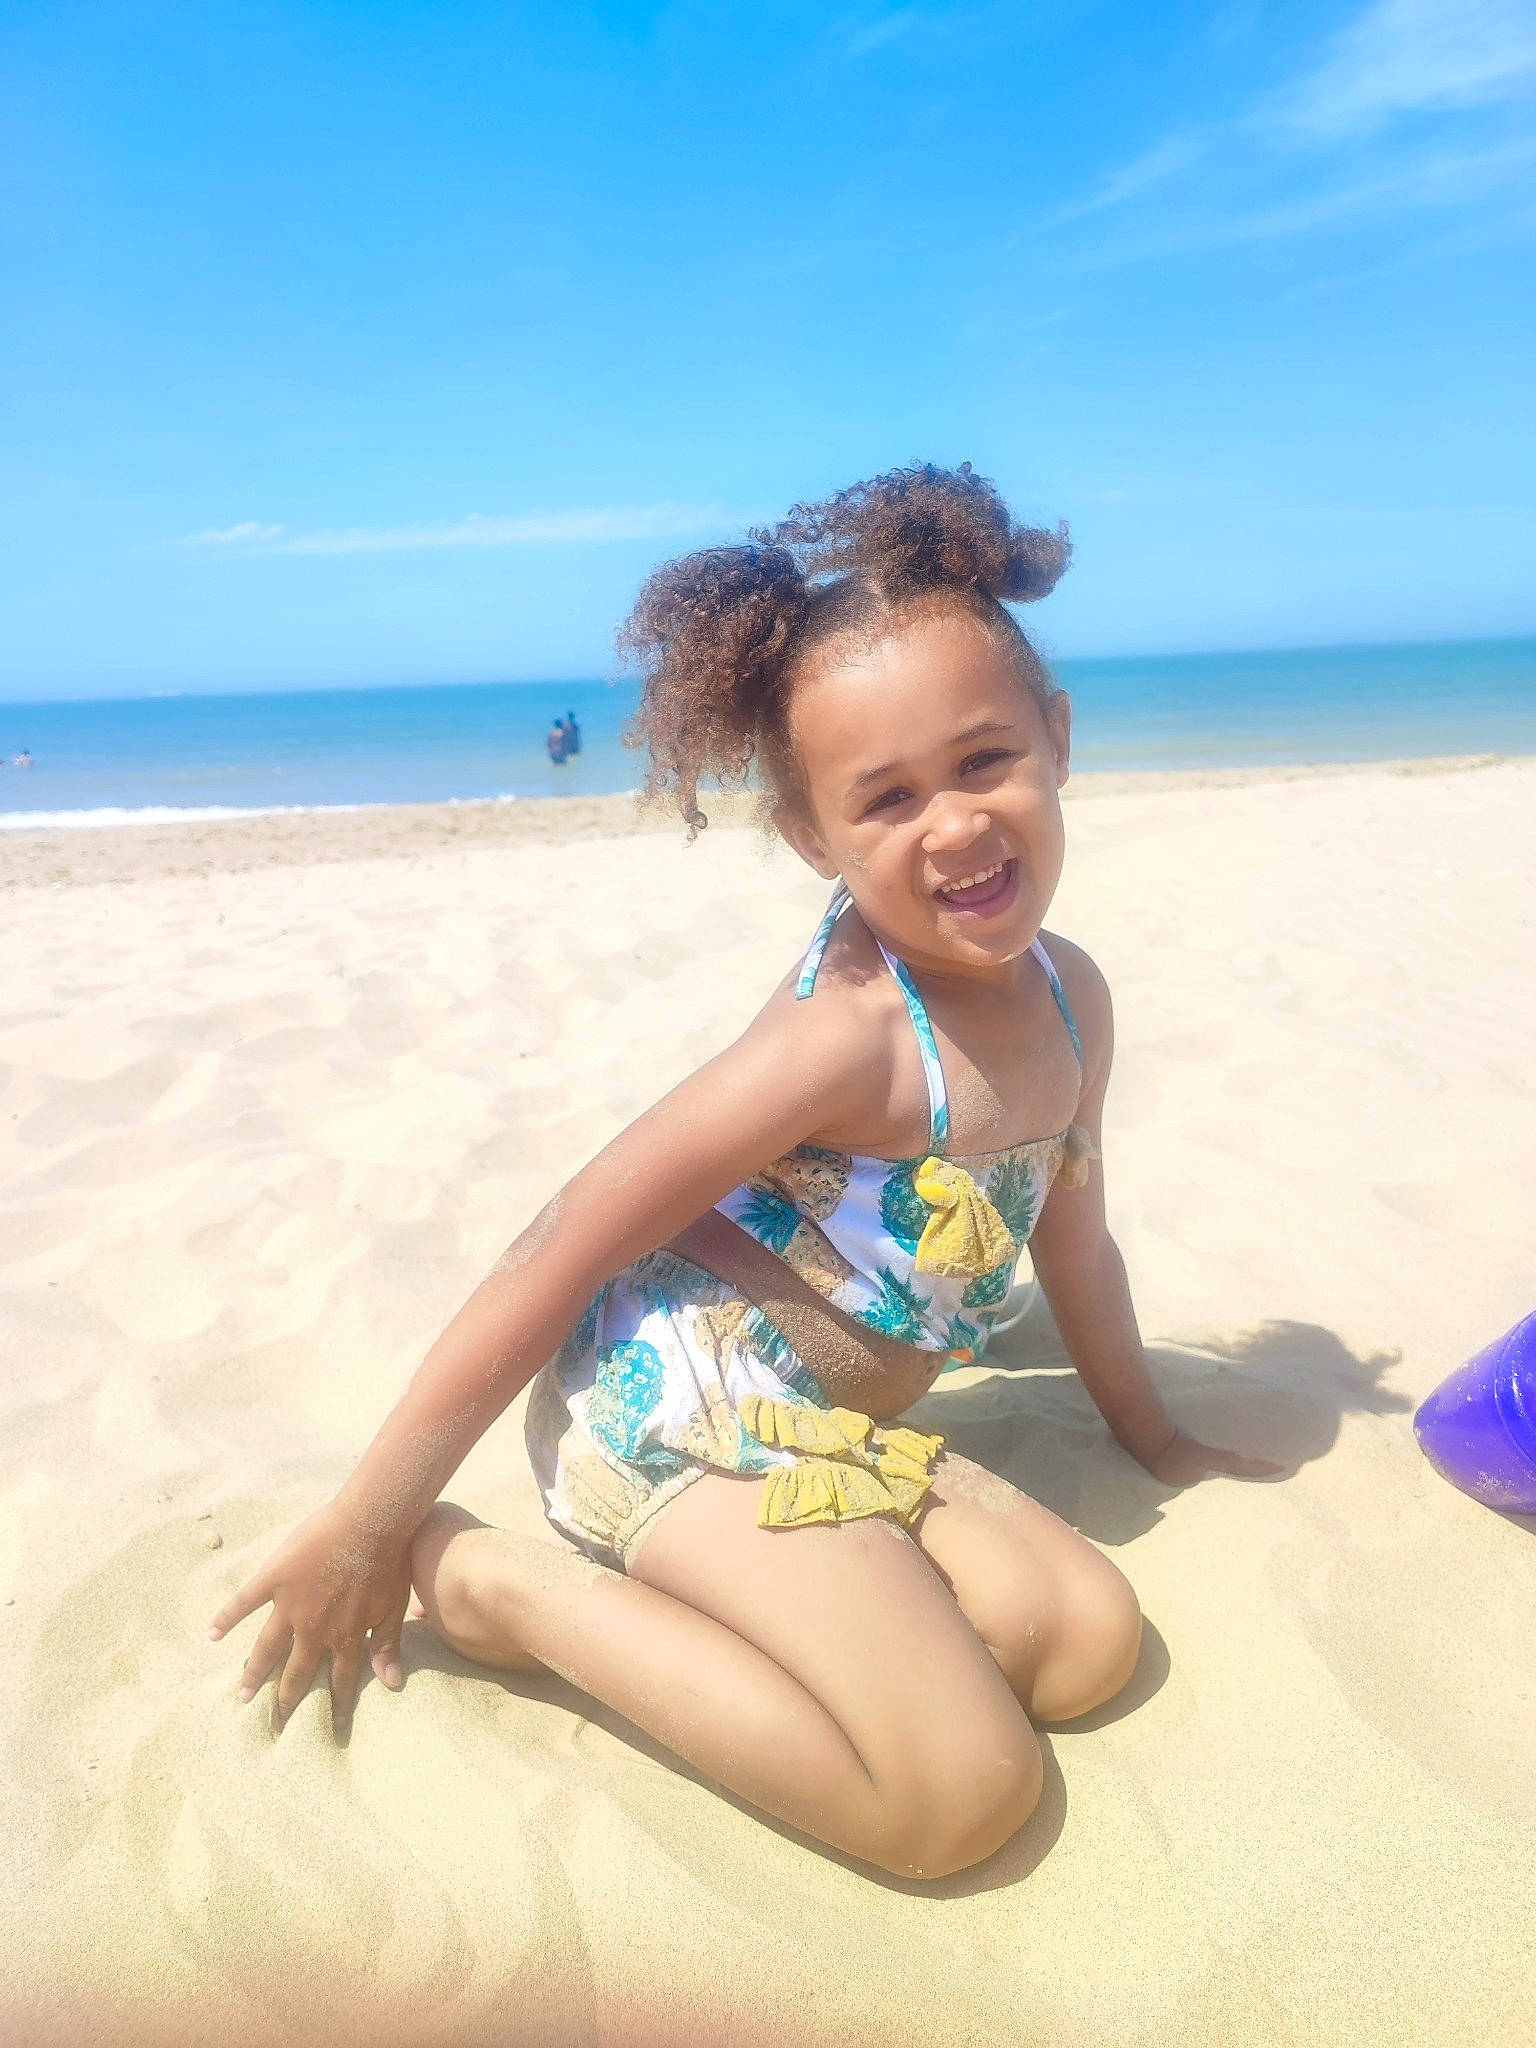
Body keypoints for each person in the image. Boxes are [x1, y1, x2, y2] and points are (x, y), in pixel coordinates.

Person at [210, 463, 1278, 1880]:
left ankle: (807, 1600)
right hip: (679, 1399)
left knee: (1080, 1643)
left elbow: (1073, 1244)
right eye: (885, 798)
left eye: (983, 761)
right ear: (811, 836)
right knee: (960, 1797)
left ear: (1057, 739)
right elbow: (566, 1234)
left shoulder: (1073, 998)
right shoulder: (840, 1041)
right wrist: (370, 1515)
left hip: (828, 1418)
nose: (952, 824)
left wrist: (1156, 1440)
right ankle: (493, 1585)